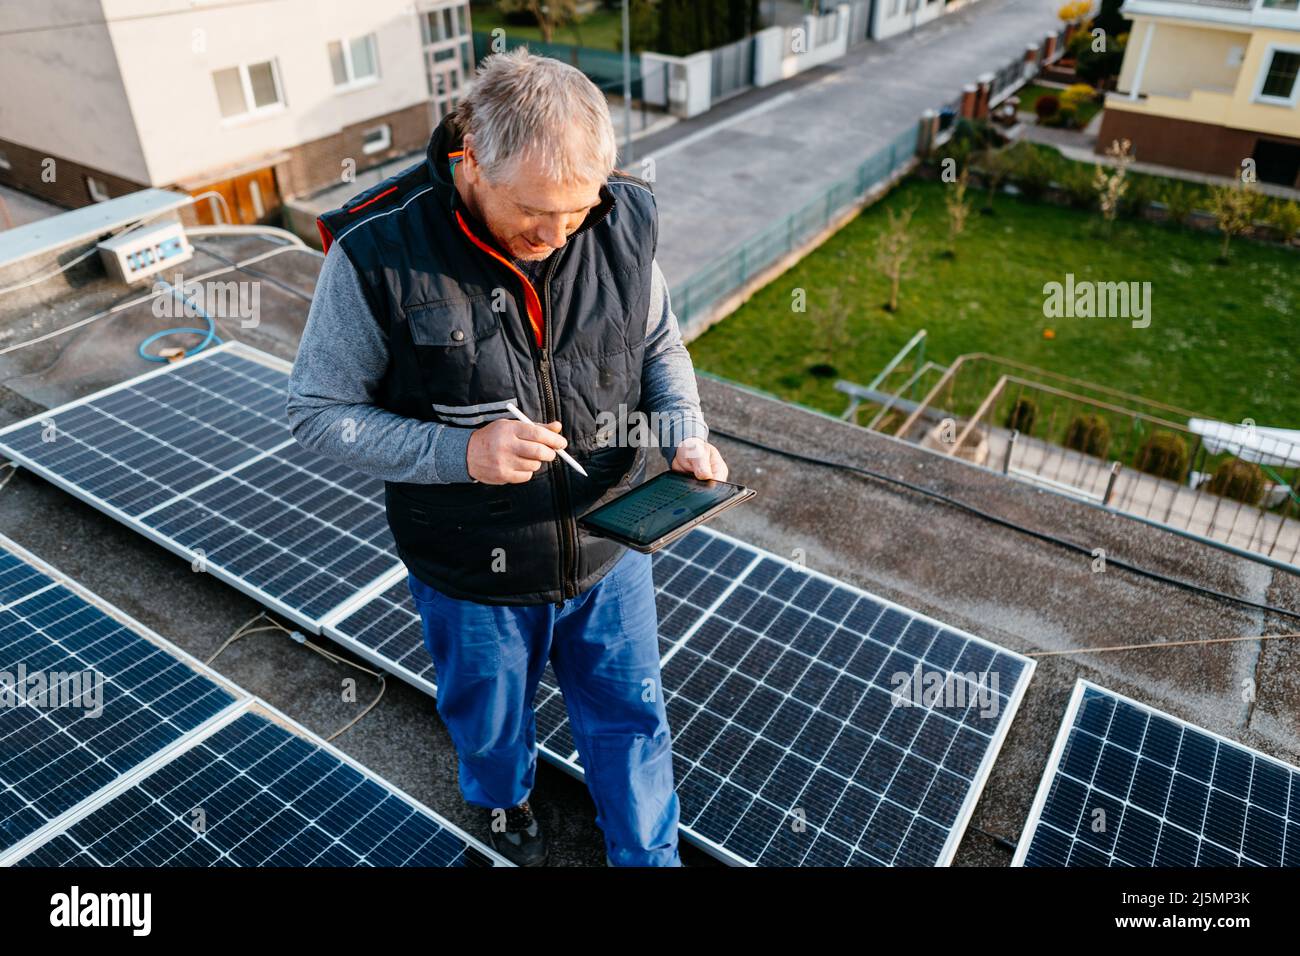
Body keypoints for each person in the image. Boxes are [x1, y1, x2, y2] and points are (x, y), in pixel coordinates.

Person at [287, 48, 729, 867]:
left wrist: (683, 429)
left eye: (576, 210)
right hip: (470, 574)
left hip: (609, 551)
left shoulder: (619, 221)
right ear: (473, 162)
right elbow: (318, 416)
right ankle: (501, 803)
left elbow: (660, 343)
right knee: (489, 721)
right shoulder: (375, 251)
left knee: (632, 718)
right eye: (533, 210)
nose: (555, 234)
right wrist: (462, 452)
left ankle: (646, 855)